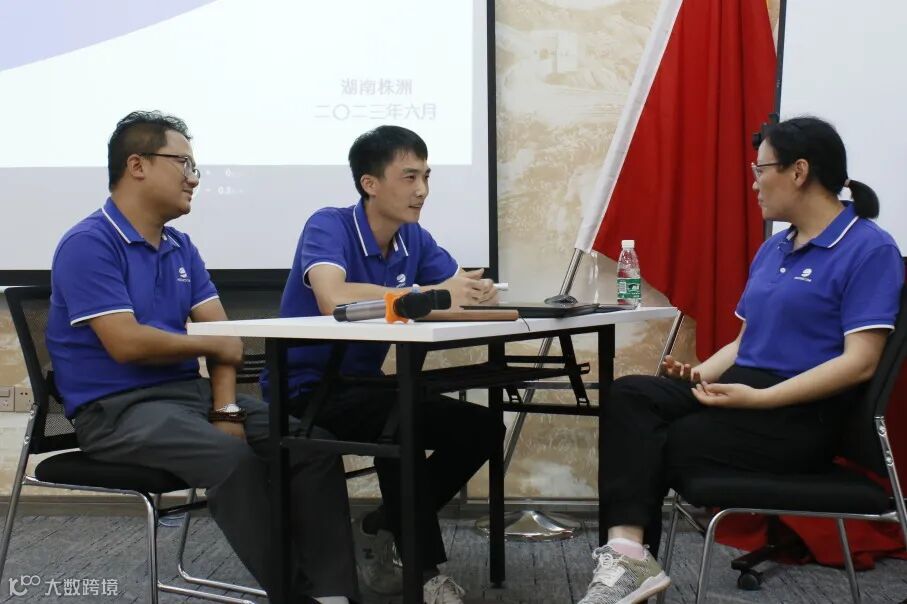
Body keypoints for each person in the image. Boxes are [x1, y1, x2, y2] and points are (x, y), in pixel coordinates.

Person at [577, 116, 904, 604]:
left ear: (798, 172)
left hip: (800, 417)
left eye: (761, 170)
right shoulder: (776, 247)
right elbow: (743, 342)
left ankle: (628, 567)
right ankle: (628, 558)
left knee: (659, 441)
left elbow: (861, 362)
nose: (754, 183)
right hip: (746, 394)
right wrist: (697, 378)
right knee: (631, 396)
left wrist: (762, 399)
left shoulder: (869, 248)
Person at [46, 111, 358, 604]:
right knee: (231, 460)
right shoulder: (89, 243)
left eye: (195, 167)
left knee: (312, 443)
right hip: (117, 410)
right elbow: (127, 343)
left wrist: (226, 408)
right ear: (137, 165)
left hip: (187, 397)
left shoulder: (180, 246)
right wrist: (210, 346)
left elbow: (225, 339)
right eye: (184, 163)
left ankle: (334, 594)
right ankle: (296, 596)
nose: (194, 178)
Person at [262, 125, 505, 603]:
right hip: (305, 389)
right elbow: (333, 296)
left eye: (427, 177)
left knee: (482, 428)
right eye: (409, 177)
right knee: (403, 423)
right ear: (369, 183)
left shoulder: (413, 237)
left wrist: (477, 291)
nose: (422, 190)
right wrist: (422, 294)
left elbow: (455, 290)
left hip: (364, 385)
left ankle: (380, 524)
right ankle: (424, 574)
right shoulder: (329, 225)